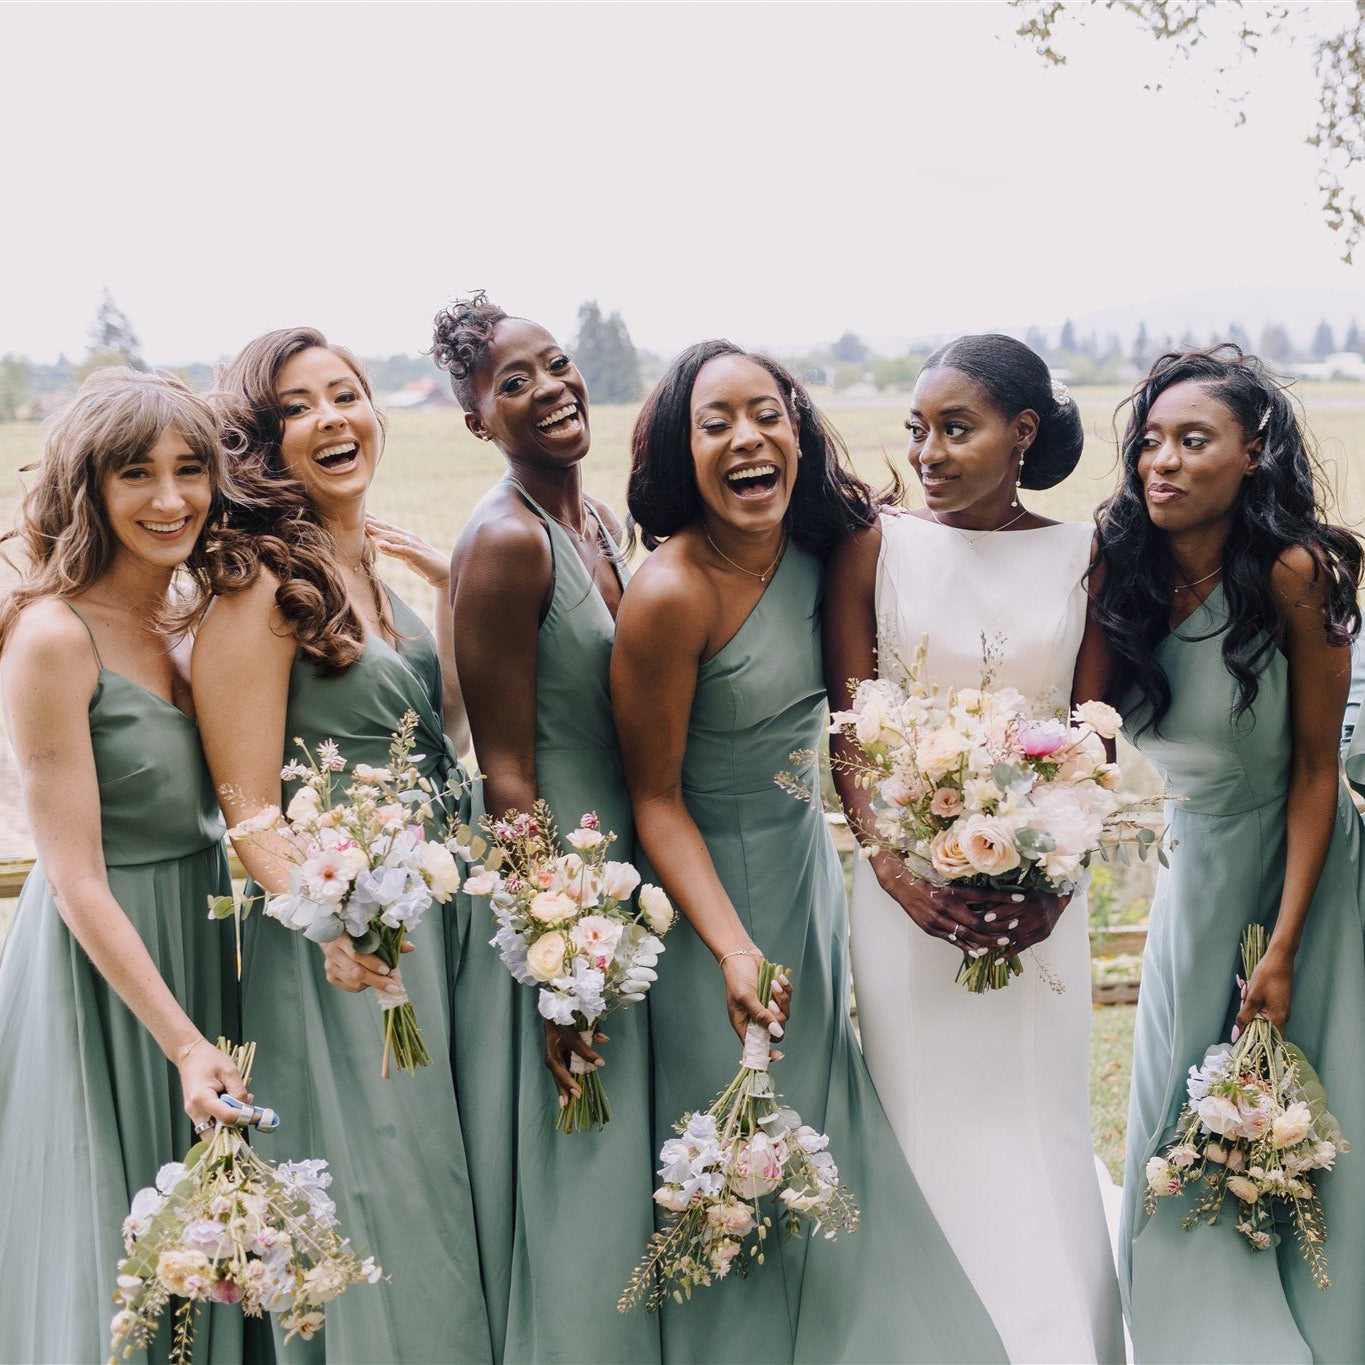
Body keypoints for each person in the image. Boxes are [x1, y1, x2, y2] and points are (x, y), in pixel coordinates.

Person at [612, 339, 1006, 1364]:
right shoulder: (670, 595)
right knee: (737, 1162)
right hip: (711, 907)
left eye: (766, 414)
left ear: (797, 429)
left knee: (826, 1143)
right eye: (715, 423)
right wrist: (735, 950)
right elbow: (653, 801)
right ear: (679, 451)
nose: (746, 438)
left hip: (806, 876)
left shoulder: (830, 550)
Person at [192, 328, 492, 1363]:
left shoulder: (374, 565)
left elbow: (437, 743)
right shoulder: (261, 587)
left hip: (434, 926)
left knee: (447, 1193)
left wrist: (452, 586)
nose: (332, 419)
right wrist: (330, 921)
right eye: (297, 408)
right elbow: (248, 809)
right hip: (347, 957)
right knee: (388, 1210)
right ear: (263, 442)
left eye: (347, 395)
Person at [823, 333, 1124, 1364]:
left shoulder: (1084, 553)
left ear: (1022, 433)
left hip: (1045, 890)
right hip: (901, 895)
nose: (932, 450)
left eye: (958, 427)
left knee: (1040, 1115)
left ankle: (1058, 1339)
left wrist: (1056, 870)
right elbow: (849, 734)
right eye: (919, 429)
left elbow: (1094, 730)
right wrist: (901, 875)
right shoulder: (877, 543)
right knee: (926, 1114)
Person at [1099, 346, 1365, 1364]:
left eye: (1193, 441)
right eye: (1152, 441)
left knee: (1296, 1111)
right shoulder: (1122, 566)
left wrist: (1288, 943)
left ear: (1252, 454)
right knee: (1176, 1110)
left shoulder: (1299, 572)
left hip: (1300, 872)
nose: (1162, 461)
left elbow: (1313, 773)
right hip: (1193, 870)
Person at [0, 369, 252, 1364]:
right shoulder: (53, 638)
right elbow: (74, 877)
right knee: (118, 1266)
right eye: (135, 474)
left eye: (191, 470)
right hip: (105, 967)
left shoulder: (192, 611)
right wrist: (185, 1042)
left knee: (216, 1249)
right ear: (88, 489)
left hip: (204, 932)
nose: (170, 498)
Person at [431, 293, 659, 1364]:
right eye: (510, 383)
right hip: (561, 885)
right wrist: (557, 958)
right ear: (477, 419)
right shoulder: (509, 542)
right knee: (580, 1147)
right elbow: (506, 773)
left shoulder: (598, 520)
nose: (548, 391)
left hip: (625, 864)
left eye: (555, 366)